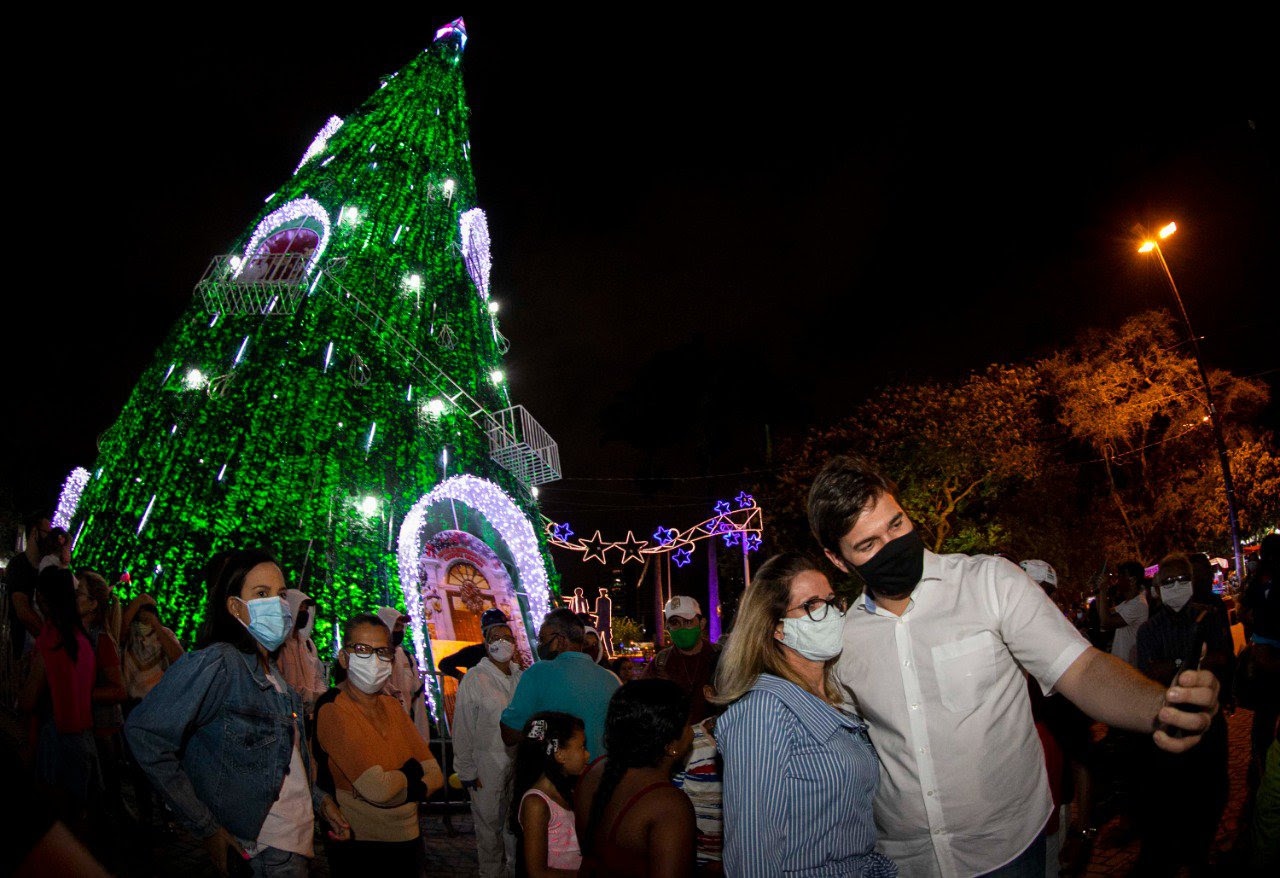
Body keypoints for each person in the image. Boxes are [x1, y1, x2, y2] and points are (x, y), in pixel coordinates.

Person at [807, 455, 1221, 877]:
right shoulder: (844, 642)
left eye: (896, 525)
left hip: (1008, 851)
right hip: (905, 862)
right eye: (868, 544)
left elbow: (1081, 670)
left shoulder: (990, 583)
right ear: (839, 560)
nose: (892, 545)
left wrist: (1160, 706)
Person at [125, 549, 350, 876]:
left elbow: (283, 765)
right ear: (234, 607)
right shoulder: (220, 663)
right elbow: (145, 734)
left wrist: (319, 801)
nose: (277, 604)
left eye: (281, 594)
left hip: (295, 844)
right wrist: (206, 826)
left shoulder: (278, 681)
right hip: (263, 851)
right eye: (261, 594)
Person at [713, 552, 895, 878]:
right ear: (777, 629)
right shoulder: (763, 711)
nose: (828, 612)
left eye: (830, 600)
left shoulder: (836, 697)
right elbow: (751, 856)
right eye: (811, 605)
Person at [315, 612, 443, 873]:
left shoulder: (392, 706)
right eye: (362, 649)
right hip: (362, 845)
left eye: (383, 651)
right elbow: (378, 790)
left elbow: (436, 774)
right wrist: (413, 774)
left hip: (409, 839)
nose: (374, 659)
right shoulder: (333, 708)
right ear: (344, 657)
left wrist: (399, 780)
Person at [1132, 553, 1233, 875]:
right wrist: (1187, 663)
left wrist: (1175, 664)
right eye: (1168, 582)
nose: (1176, 586)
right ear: (1157, 589)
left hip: (1209, 719)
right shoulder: (1148, 629)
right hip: (1168, 724)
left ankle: (1200, 852)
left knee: (1213, 788)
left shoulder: (1209, 616)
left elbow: (1222, 656)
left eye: (1181, 580)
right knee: (1172, 796)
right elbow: (1150, 672)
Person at [577, 679, 697, 878]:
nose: (692, 731)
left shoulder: (595, 770)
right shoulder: (668, 805)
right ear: (671, 745)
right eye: (687, 724)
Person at [20, 567, 101, 818]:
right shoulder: (83, 640)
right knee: (77, 816)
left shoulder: (52, 638)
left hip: (55, 737)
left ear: (42, 598)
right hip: (84, 735)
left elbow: (29, 699)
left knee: (54, 817)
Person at [454, 612, 524, 878]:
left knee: (513, 827)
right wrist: (467, 770)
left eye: (507, 637)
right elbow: (462, 728)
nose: (502, 642)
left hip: (516, 765)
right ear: (486, 644)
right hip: (486, 767)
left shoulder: (520, 677)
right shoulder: (475, 678)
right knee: (488, 829)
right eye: (496, 638)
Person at [500, 609, 620, 758]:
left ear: (561, 640)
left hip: (557, 775)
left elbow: (510, 733)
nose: (540, 646)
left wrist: (547, 728)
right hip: (600, 774)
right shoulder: (611, 679)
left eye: (543, 640)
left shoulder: (538, 673)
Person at [509, 712, 588, 878]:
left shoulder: (570, 790)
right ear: (559, 754)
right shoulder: (536, 804)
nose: (587, 754)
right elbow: (537, 872)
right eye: (582, 747)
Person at [77, 572, 128, 828]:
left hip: (104, 730)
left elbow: (119, 691)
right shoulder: (82, 635)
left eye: (80, 594)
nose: (75, 598)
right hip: (91, 726)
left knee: (107, 794)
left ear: (93, 603)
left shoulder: (103, 640)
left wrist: (80, 694)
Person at [671, 688, 725, 875]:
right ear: (710, 693)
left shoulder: (757, 741)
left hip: (737, 857)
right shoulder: (688, 740)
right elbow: (673, 798)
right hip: (696, 858)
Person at [645, 596, 720, 724]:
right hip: (676, 740)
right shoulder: (661, 662)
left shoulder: (720, 656)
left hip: (717, 739)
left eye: (688, 621)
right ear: (668, 628)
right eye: (675, 623)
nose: (682, 628)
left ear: (702, 624)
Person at [376, 605, 431, 742]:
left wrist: (423, 740)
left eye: (401, 627)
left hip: (403, 731)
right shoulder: (372, 657)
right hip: (378, 732)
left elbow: (418, 700)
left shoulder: (407, 658)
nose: (399, 631)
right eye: (396, 626)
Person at [5, 514, 52, 660]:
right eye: (47, 533)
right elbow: (23, 611)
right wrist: (51, 641)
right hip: (21, 650)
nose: (50, 539)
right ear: (34, 532)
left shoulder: (45, 568)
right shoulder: (18, 565)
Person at [119, 594, 183, 700]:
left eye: (148, 612)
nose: (144, 616)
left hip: (158, 699)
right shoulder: (130, 633)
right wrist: (138, 602)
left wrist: (155, 625)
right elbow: (120, 632)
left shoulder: (165, 633)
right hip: (132, 700)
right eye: (140, 612)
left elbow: (180, 659)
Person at [278, 589, 326, 719]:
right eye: (301, 608)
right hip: (287, 716)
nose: (304, 612)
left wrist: (322, 696)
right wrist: (311, 695)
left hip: (308, 716)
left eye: (306, 608)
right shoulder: (280, 645)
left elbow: (317, 677)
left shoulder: (308, 646)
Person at [1098, 561, 1149, 666]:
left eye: (1120, 576)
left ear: (1132, 580)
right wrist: (1098, 591)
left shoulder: (1138, 604)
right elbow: (1103, 613)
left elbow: (1106, 622)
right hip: (1122, 665)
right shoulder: (1128, 603)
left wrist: (1103, 590)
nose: (1117, 581)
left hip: (1128, 667)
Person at [439, 608, 510, 680]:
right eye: (498, 630)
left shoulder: (506, 652)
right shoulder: (473, 652)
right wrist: (463, 678)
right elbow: (444, 664)